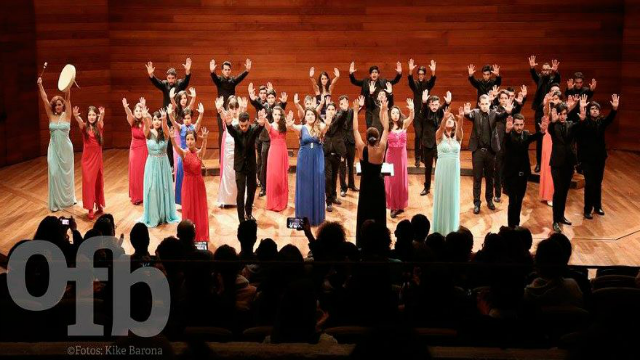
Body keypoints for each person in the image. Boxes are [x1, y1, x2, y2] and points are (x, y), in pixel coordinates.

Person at [463, 95, 512, 214]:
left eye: (486, 104)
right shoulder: (475, 112)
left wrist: (508, 111)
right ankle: (476, 203)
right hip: (478, 151)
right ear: (479, 104)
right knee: (477, 178)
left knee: (490, 178)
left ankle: (489, 200)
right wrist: (465, 113)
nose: (485, 106)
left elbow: (503, 116)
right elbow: (469, 115)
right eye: (482, 104)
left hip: (490, 151)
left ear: (489, 104)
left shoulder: (494, 113)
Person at [352, 96, 389, 246]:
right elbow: (386, 128)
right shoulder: (381, 149)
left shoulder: (362, 149)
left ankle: (362, 242)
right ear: (378, 138)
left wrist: (355, 112)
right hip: (378, 185)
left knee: (365, 213)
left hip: (366, 185)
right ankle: (380, 242)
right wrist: (384, 110)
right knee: (378, 213)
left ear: (366, 138)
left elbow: (354, 129)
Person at [575, 94, 619, 219]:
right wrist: (582, 112)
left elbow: (610, 119)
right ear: (589, 112)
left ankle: (597, 206)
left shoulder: (601, 122)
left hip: (599, 158)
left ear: (599, 112)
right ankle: (587, 209)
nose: (594, 110)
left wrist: (614, 109)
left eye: (596, 109)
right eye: (592, 109)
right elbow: (580, 129)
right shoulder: (584, 122)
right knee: (589, 184)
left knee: (598, 182)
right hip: (587, 159)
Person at [38, 76, 76, 212]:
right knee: (54, 173)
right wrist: (40, 85)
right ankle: (55, 202)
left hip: (66, 149)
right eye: (56, 104)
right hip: (53, 149)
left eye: (60, 104)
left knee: (66, 176)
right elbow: (44, 98)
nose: (58, 106)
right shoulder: (51, 115)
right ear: (54, 106)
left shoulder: (67, 115)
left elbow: (68, 98)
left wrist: (69, 83)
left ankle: (68, 199)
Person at [288, 107, 331, 225]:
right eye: (308, 115)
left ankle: (316, 217)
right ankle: (303, 218)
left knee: (317, 184)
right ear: (305, 117)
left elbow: (326, 127)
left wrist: (327, 123)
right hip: (304, 158)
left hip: (317, 157)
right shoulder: (301, 128)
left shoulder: (320, 126)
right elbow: (293, 127)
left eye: (312, 114)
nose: (310, 116)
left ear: (315, 116)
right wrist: (290, 124)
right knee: (304, 185)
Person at [146, 58, 192, 168]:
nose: (170, 80)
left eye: (172, 78)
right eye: (169, 78)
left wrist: (188, 71)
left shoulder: (179, 84)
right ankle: (171, 164)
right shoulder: (164, 84)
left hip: (178, 116)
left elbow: (186, 80)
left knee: (179, 138)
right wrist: (151, 75)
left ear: (176, 78)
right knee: (168, 139)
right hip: (167, 116)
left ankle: (184, 160)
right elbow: (156, 82)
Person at [503, 114, 546, 227]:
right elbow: (505, 143)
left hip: (523, 173)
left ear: (524, 124)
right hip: (511, 174)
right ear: (513, 125)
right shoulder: (509, 135)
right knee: (513, 201)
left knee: (519, 200)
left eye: (521, 125)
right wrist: (507, 131)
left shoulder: (526, 134)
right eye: (516, 125)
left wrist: (541, 131)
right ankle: (511, 226)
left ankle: (516, 224)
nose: (519, 127)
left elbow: (534, 137)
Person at [223, 106, 265, 222]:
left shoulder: (252, 129)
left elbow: (259, 129)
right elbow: (230, 130)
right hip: (240, 167)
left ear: (248, 122)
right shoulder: (236, 130)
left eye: (245, 125)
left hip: (251, 166)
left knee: (251, 191)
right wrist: (228, 124)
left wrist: (262, 124)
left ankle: (249, 213)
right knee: (240, 192)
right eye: (241, 126)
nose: (243, 128)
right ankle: (241, 219)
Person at [139, 107, 179, 227]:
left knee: (164, 188)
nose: (156, 121)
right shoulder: (148, 133)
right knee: (152, 189)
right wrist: (146, 117)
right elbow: (146, 127)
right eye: (155, 119)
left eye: (158, 119)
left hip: (163, 164)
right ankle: (153, 215)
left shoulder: (165, 133)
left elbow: (165, 127)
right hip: (151, 164)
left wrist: (164, 119)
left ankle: (165, 214)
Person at [169, 125, 210, 242]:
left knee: (199, 209)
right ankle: (187, 237)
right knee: (187, 209)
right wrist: (172, 138)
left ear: (195, 140)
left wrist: (205, 139)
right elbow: (176, 147)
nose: (190, 142)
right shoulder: (183, 153)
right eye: (187, 139)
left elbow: (204, 147)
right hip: (187, 185)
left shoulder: (199, 153)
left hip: (198, 185)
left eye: (192, 139)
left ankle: (200, 235)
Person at [548, 101, 582, 233]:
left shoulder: (571, 125)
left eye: (564, 114)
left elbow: (579, 127)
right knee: (558, 191)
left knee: (564, 191)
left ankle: (561, 216)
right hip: (556, 163)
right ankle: (555, 220)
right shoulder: (554, 126)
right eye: (560, 114)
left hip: (568, 163)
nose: (562, 117)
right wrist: (553, 120)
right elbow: (550, 129)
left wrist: (583, 119)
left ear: (567, 115)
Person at [248, 84, 287, 197]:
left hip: (275, 140)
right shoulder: (263, 106)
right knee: (263, 163)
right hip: (265, 139)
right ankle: (264, 187)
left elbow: (282, 111)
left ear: (275, 98)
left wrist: (284, 103)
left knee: (275, 164)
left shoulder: (278, 107)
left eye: (272, 97)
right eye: (268, 97)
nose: (270, 99)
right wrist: (251, 97)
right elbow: (256, 103)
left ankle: (276, 186)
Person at [432, 111, 463, 235]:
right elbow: (440, 130)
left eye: (452, 119)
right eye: (448, 119)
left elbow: (460, 129)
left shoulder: (458, 136)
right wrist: (444, 120)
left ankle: (452, 228)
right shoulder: (439, 135)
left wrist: (460, 119)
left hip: (454, 170)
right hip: (442, 169)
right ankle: (440, 228)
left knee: (452, 194)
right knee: (442, 194)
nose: (450, 120)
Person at [72, 105, 105, 220]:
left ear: (96, 116)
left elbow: (101, 121)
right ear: (87, 116)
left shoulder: (99, 126)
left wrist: (102, 115)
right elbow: (80, 122)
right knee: (89, 183)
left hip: (97, 158)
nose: (91, 117)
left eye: (93, 115)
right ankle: (90, 208)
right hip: (87, 160)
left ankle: (99, 204)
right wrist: (76, 116)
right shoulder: (85, 127)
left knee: (98, 181)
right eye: (90, 115)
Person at [168, 102, 204, 206]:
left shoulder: (194, 127)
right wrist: (170, 114)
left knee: (194, 177)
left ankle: (194, 199)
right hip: (183, 154)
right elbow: (173, 122)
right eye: (185, 118)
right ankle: (182, 200)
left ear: (191, 118)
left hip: (193, 155)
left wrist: (201, 113)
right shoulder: (180, 127)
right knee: (181, 177)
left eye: (188, 118)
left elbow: (199, 121)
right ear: (183, 119)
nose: (187, 120)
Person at [210, 58, 251, 150]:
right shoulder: (219, 80)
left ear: (230, 70)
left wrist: (247, 71)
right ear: (222, 71)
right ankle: (222, 158)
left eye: (229, 70)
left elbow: (240, 77)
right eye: (225, 69)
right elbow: (214, 78)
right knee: (222, 133)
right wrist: (212, 72)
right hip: (221, 111)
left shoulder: (232, 81)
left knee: (234, 132)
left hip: (233, 111)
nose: (227, 71)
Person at [528, 56, 560, 172]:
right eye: (544, 69)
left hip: (552, 113)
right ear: (542, 71)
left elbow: (557, 78)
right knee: (540, 138)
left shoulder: (553, 80)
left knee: (552, 139)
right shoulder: (540, 79)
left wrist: (556, 71)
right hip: (539, 112)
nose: (545, 71)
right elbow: (534, 75)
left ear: (550, 70)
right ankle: (539, 163)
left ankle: (551, 163)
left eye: (548, 69)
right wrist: (532, 68)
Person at [349, 61, 401, 132]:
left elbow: (394, 81)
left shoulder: (383, 82)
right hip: (369, 109)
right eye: (372, 72)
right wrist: (351, 74)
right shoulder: (365, 82)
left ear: (378, 74)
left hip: (380, 109)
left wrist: (399, 74)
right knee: (370, 130)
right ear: (370, 75)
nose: (374, 74)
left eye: (376, 72)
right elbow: (354, 81)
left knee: (382, 129)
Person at [385, 99, 415, 218]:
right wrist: (383, 108)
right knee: (391, 181)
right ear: (390, 115)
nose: (395, 115)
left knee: (401, 180)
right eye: (393, 113)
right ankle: (393, 206)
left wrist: (412, 109)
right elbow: (382, 117)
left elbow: (411, 118)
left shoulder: (404, 124)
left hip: (402, 156)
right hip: (390, 156)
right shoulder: (387, 125)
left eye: (397, 113)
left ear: (399, 114)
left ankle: (400, 205)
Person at [418, 90, 451, 196]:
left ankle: (440, 188)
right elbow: (423, 110)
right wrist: (423, 102)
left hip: (439, 144)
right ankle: (426, 187)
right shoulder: (426, 112)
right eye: (432, 104)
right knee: (428, 168)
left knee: (439, 168)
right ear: (429, 105)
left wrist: (447, 103)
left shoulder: (440, 112)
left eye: (436, 104)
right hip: (427, 144)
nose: (434, 106)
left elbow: (444, 108)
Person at [408, 59, 437, 167]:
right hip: (417, 115)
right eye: (419, 74)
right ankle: (417, 158)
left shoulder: (427, 84)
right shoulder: (415, 84)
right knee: (418, 135)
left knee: (425, 136)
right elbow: (410, 81)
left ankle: (424, 157)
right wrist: (410, 71)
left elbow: (433, 80)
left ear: (424, 75)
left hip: (426, 114)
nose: (420, 76)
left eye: (422, 74)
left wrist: (433, 71)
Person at [322, 102, 349, 212]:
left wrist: (345, 110)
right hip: (326, 154)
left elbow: (343, 117)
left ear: (335, 111)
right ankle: (328, 201)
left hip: (337, 153)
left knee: (334, 177)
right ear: (326, 111)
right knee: (328, 178)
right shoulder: (322, 121)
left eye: (333, 109)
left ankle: (334, 196)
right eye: (329, 109)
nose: (331, 111)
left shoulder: (338, 120)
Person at [216, 96, 241, 207]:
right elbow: (222, 115)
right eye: (231, 107)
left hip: (238, 145)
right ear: (228, 107)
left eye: (236, 107)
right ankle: (227, 199)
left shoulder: (240, 115)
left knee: (238, 171)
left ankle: (239, 198)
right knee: (228, 170)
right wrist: (220, 108)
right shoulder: (226, 115)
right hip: (228, 145)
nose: (234, 110)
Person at [122, 97, 148, 205]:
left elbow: (148, 120)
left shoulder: (145, 121)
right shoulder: (132, 121)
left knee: (143, 172)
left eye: (140, 110)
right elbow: (129, 115)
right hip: (134, 150)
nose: (138, 112)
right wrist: (126, 107)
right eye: (136, 111)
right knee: (135, 172)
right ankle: (136, 196)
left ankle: (144, 195)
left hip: (144, 149)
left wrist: (143, 106)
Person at [263, 106, 290, 212]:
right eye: (275, 114)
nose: (277, 116)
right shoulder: (270, 125)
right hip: (273, 152)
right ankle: (273, 202)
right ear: (272, 115)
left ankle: (282, 201)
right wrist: (264, 119)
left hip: (282, 152)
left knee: (281, 176)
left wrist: (290, 122)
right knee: (273, 176)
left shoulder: (284, 125)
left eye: (279, 114)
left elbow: (292, 127)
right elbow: (266, 125)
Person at [339, 95, 364, 197]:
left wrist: (361, 106)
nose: (343, 105)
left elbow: (357, 110)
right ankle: (343, 187)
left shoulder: (351, 111)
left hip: (351, 142)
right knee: (342, 166)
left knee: (350, 164)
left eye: (345, 103)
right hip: (341, 143)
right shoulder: (337, 113)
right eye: (341, 103)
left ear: (348, 103)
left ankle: (351, 184)